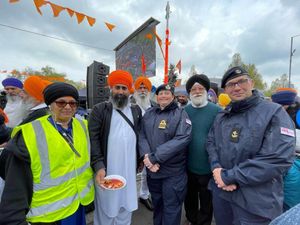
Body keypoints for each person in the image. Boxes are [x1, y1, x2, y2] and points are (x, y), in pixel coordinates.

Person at [206, 66, 295, 225]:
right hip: (222, 195)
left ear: (252, 83)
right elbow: (211, 142)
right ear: (225, 90)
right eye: (231, 84)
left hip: (256, 204)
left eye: (242, 81)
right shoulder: (222, 115)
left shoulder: (274, 113)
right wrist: (216, 167)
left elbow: (277, 158)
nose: (237, 87)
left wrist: (228, 177)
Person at [0, 82, 94, 225]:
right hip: (48, 215)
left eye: (73, 103)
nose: (68, 107)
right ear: (50, 104)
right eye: (61, 103)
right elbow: (15, 185)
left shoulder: (83, 126)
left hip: (77, 205)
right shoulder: (29, 134)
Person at [89, 70, 142, 225]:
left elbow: (141, 136)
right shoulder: (99, 110)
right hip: (107, 169)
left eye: (124, 88)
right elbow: (93, 140)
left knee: (126, 203)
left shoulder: (135, 110)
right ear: (111, 89)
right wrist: (98, 165)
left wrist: (141, 158)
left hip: (129, 169)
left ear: (129, 91)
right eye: (117, 87)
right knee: (106, 205)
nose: (120, 91)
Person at [139, 83, 192, 225]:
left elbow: (182, 138)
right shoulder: (149, 113)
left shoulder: (181, 114)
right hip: (153, 172)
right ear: (156, 96)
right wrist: (146, 157)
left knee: (171, 209)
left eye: (167, 93)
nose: (163, 96)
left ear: (173, 97)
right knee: (157, 206)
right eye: (161, 93)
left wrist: (154, 157)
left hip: (173, 174)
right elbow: (142, 135)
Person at [184, 74, 221, 225]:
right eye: (194, 89)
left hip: (209, 167)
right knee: (189, 198)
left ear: (206, 91)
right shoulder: (184, 111)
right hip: (187, 166)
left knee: (207, 200)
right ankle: (191, 219)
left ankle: (204, 222)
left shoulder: (217, 111)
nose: (197, 91)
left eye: (201, 88)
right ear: (190, 93)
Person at [271, 88, 300, 211]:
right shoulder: (284, 116)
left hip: (288, 165)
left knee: (288, 206)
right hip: (289, 163)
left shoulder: (282, 117)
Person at [133, 76, 154, 211]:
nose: (142, 90)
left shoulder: (154, 106)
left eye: (145, 87)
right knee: (131, 173)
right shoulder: (128, 105)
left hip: (149, 146)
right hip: (132, 146)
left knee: (147, 174)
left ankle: (144, 195)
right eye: (140, 87)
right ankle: (128, 198)